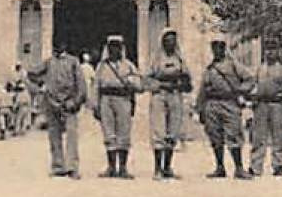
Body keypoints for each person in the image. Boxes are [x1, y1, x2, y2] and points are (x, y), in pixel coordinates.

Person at [195, 39, 253, 179]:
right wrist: (200, 108)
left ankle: (239, 168)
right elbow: (202, 90)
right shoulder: (210, 68)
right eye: (214, 47)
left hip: (229, 103)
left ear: (224, 48)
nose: (217, 50)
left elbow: (249, 79)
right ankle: (220, 167)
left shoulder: (233, 65)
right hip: (212, 104)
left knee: (233, 134)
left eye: (220, 47)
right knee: (215, 136)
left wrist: (240, 91)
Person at [28, 40, 86, 179]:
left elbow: (81, 85)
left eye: (60, 45)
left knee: (72, 136)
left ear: (65, 46)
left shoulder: (73, 62)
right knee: (54, 136)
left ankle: (72, 167)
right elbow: (32, 73)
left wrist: (76, 101)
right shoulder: (48, 62)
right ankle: (58, 166)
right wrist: (41, 87)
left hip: (69, 104)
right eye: (55, 45)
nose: (58, 47)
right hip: (52, 103)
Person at [93, 34, 144, 179]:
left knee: (124, 132)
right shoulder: (102, 66)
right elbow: (96, 85)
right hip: (106, 100)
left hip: (123, 99)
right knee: (109, 133)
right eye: (112, 47)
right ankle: (111, 166)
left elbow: (139, 84)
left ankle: (122, 167)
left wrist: (130, 82)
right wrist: (95, 105)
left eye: (117, 47)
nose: (114, 50)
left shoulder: (128, 65)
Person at [146, 29, 192, 181]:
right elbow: (147, 78)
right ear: (162, 42)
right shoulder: (155, 58)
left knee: (173, 130)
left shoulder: (180, 58)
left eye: (173, 40)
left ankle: (167, 167)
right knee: (158, 130)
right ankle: (157, 168)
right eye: (167, 40)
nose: (170, 43)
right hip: (159, 95)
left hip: (175, 95)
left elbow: (187, 78)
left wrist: (181, 82)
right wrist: (159, 84)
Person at [250, 40, 282, 178]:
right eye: (268, 50)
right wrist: (253, 98)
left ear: (278, 51)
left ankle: (278, 165)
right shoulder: (259, 69)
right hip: (261, 104)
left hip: (277, 104)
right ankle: (256, 166)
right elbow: (252, 85)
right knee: (258, 136)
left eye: (273, 49)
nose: (270, 53)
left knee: (278, 136)